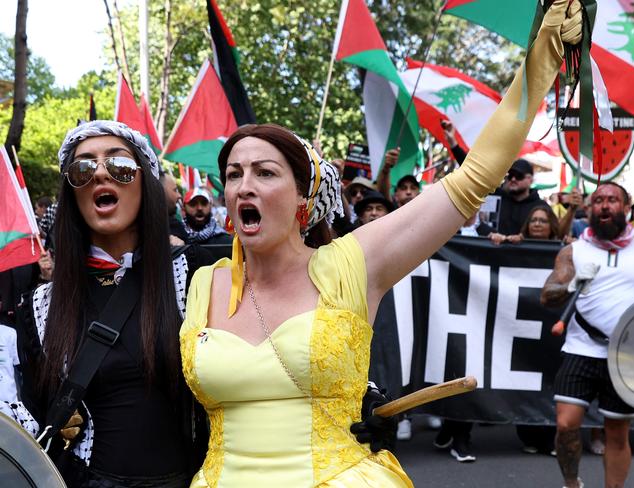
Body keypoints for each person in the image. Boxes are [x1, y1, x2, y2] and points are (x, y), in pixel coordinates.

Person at [180, 3, 582, 485]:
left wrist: (544, 56)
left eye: (265, 173)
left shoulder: (353, 264)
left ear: (302, 199)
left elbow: (472, 178)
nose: (244, 185)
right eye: (233, 174)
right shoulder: (202, 282)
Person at [3, 121, 211, 487]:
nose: (100, 173)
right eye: (83, 169)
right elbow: (30, 418)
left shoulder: (196, 276)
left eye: (119, 166)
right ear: (72, 195)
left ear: (145, 182)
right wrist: (53, 414)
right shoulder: (41, 307)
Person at [541, 182, 634, 488]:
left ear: (626, 209)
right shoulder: (574, 250)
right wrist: (571, 285)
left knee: (617, 433)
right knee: (565, 424)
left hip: (625, 356)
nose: (604, 205)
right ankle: (572, 483)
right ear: (589, 208)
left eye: (612, 200)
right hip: (580, 348)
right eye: (598, 200)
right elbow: (547, 295)